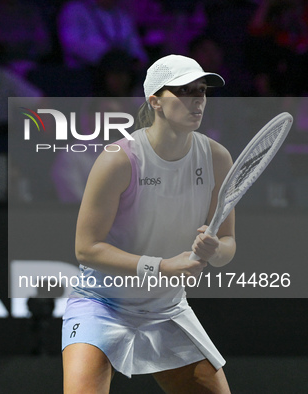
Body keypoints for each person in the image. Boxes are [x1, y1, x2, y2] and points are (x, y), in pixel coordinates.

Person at [62, 55, 236, 393]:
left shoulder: (217, 158)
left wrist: (215, 249)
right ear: (155, 100)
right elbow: (86, 248)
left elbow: (227, 246)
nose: (197, 99)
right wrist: (161, 266)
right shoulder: (118, 159)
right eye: (184, 90)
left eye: (201, 90)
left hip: (166, 308)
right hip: (102, 303)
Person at [57, 0, 148, 69]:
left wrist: (137, 59)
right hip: (84, 73)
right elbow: (72, 45)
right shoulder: (74, 10)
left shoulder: (123, 16)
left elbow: (135, 48)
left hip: (122, 73)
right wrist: (110, 57)